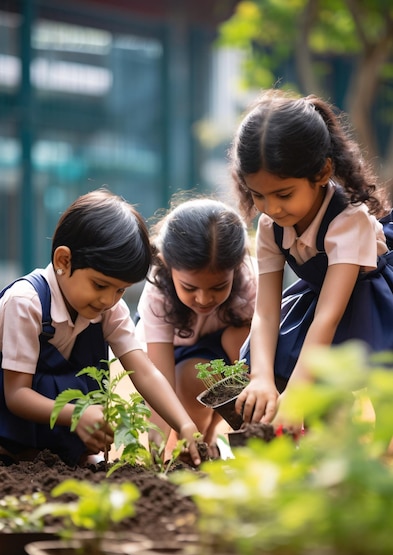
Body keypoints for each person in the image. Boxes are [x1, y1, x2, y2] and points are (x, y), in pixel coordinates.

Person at [0, 189, 202, 466]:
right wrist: (78, 415)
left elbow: (144, 371)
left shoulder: (107, 310)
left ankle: (72, 455)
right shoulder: (26, 303)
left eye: (120, 290)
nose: (108, 299)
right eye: (99, 285)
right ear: (63, 261)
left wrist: (185, 424)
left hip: (60, 438)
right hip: (10, 432)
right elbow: (16, 395)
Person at [230, 89, 393, 430]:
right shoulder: (271, 226)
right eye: (258, 195)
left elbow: (328, 318)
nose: (272, 208)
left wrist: (297, 391)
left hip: (371, 301)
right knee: (285, 364)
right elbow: (266, 311)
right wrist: (261, 377)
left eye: (284, 194)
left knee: (381, 381)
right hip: (322, 297)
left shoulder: (349, 222)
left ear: (322, 173)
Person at [135, 197, 257, 455]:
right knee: (189, 378)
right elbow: (160, 379)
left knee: (241, 339)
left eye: (218, 287)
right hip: (177, 359)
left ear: (235, 269)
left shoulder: (249, 282)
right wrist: (156, 451)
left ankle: (223, 435)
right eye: (190, 288)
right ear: (167, 264)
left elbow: (261, 355)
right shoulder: (158, 293)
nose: (204, 299)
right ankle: (195, 445)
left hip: (222, 352)